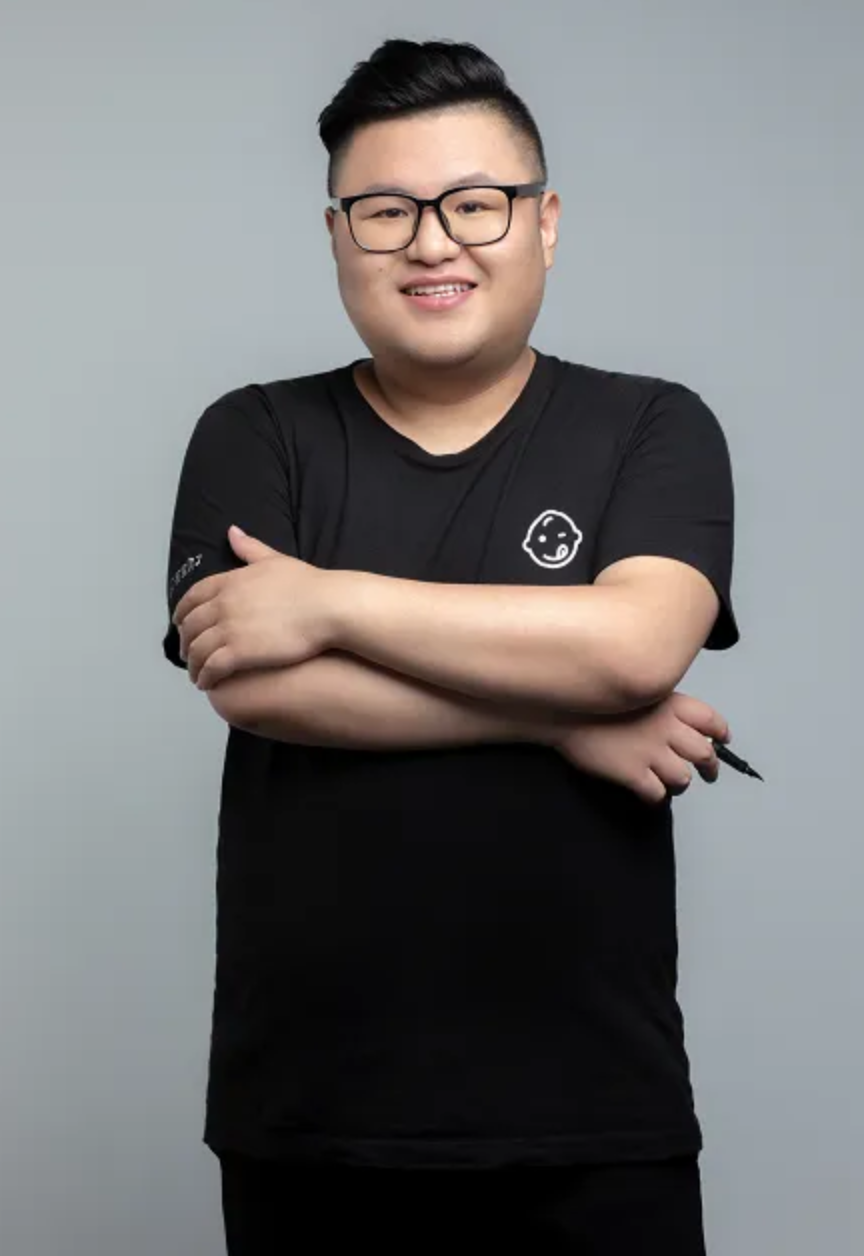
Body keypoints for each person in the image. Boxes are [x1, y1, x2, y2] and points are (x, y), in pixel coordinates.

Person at [163, 38, 739, 1255]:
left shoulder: (651, 425)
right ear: (338, 235)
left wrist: (329, 601)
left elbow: (636, 645)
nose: (432, 243)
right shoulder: (255, 433)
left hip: (595, 1110)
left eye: (475, 204)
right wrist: (558, 715)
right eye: (386, 211)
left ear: (545, 223)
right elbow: (256, 686)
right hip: (312, 1118)